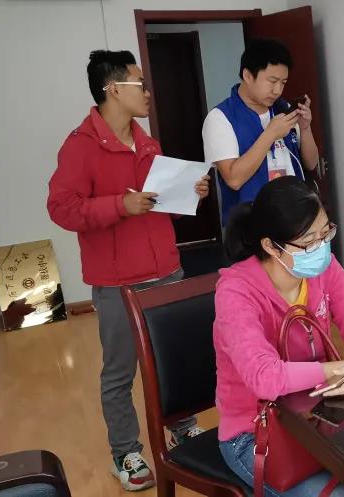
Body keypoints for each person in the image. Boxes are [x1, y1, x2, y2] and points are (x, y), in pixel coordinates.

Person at [47, 49, 211, 492]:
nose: (148, 92)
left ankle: (183, 429)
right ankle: (126, 452)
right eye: (140, 83)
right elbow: (62, 209)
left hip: (167, 270)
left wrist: (190, 193)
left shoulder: (147, 142)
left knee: (176, 361)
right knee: (120, 371)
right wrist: (120, 205)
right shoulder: (80, 146)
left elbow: (159, 207)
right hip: (119, 283)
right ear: (113, 89)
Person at [214, 177, 344, 497]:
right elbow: (265, 378)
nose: (322, 247)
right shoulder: (235, 292)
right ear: (271, 246)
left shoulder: (323, 268)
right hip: (256, 433)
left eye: (326, 233)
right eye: (309, 241)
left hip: (317, 418)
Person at [202, 39, 320, 225]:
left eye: (283, 83)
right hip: (252, 223)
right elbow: (234, 179)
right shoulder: (220, 118)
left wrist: (305, 128)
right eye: (272, 81)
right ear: (248, 75)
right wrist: (270, 134)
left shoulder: (283, 108)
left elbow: (311, 163)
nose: (277, 90)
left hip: (295, 217)